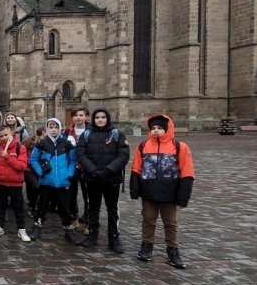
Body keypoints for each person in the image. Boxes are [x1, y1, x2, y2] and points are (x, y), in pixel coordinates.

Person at [130, 115, 194, 269]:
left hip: (169, 193)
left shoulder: (180, 147)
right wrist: (134, 191)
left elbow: (187, 172)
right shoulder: (143, 146)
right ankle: (146, 246)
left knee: (170, 223)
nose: (156, 130)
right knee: (148, 220)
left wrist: (183, 198)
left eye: (159, 128)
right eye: (153, 128)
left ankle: (173, 249)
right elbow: (136, 169)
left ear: (167, 129)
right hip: (149, 192)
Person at [76, 108, 130, 252]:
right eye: (97, 117)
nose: (100, 120)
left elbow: (123, 155)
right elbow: (80, 153)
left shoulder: (118, 134)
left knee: (112, 209)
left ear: (107, 119)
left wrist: (108, 170)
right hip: (93, 178)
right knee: (93, 207)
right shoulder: (87, 134)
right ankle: (93, 234)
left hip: (111, 178)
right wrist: (93, 170)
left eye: (103, 117)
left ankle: (113, 237)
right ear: (93, 119)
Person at [28, 118, 79, 244]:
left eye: (56, 127)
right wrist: (40, 172)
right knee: (42, 206)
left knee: (64, 207)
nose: (54, 129)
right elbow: (33, 160)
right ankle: (37, 226)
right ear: (47, 129)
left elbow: (72, 161)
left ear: (60, 128)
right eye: (51, 127)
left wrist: (69, 173)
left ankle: (68, 229)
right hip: (46, 181)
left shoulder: (66, 144)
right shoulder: (41, 143)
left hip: (63, 181)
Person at [0, 125, 30, 242]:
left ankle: (21, 229)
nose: (4, 138)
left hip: (15, 184)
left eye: (6, 135)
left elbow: (22, 166)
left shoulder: (20, 148)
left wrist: (8, 158)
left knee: (18, 208)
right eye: (1, 136)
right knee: (0, 206)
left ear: (11, 133)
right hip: (0, 183)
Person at [64, 106, 90, 227]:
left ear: (86, 116)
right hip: (72, 168)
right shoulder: (66, 132)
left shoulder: (92, 132)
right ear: (72, 117)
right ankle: (73, 217)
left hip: (87, 168)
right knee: (71, 194)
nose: (78, 117)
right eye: (75, 115)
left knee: (88, 195)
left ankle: (88, 218)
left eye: (81, 115)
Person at [23, 128, 45, 218]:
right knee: (35, 187)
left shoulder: (42, 147)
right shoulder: (27, 148)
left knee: (34, 188)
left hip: (38, 170)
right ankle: (32, 206)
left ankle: (33, 204)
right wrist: (31, 162)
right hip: (29, 170)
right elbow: (26, 159)